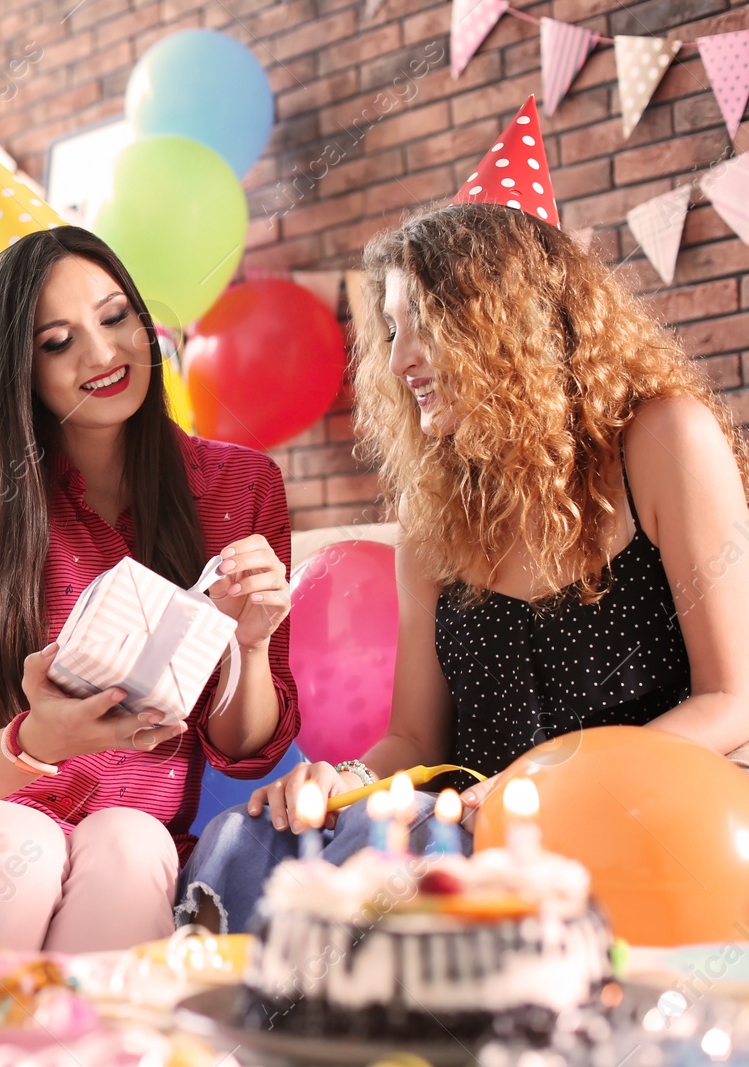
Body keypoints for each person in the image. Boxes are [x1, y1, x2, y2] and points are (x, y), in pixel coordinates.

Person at [180, 99, 749, 935]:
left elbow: (733, 698)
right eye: (394, 328)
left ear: (511, 318)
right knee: (256, 840)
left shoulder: (662, 438)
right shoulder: (433, 512)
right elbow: (414, 737)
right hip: (475, 844)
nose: (402, 357)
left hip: (654, 826)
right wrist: (340, 780)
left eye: (428, 325)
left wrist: (546, 785)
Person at [0, 216, 300, 959]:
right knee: (26, 842)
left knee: (136, 840)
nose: (103, 353)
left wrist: (252, 641)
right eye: (58, 341)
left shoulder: (243, 488)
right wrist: (39, 737)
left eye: (115, 318)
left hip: (109, 834)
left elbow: (243, 747)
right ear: (19, 369)